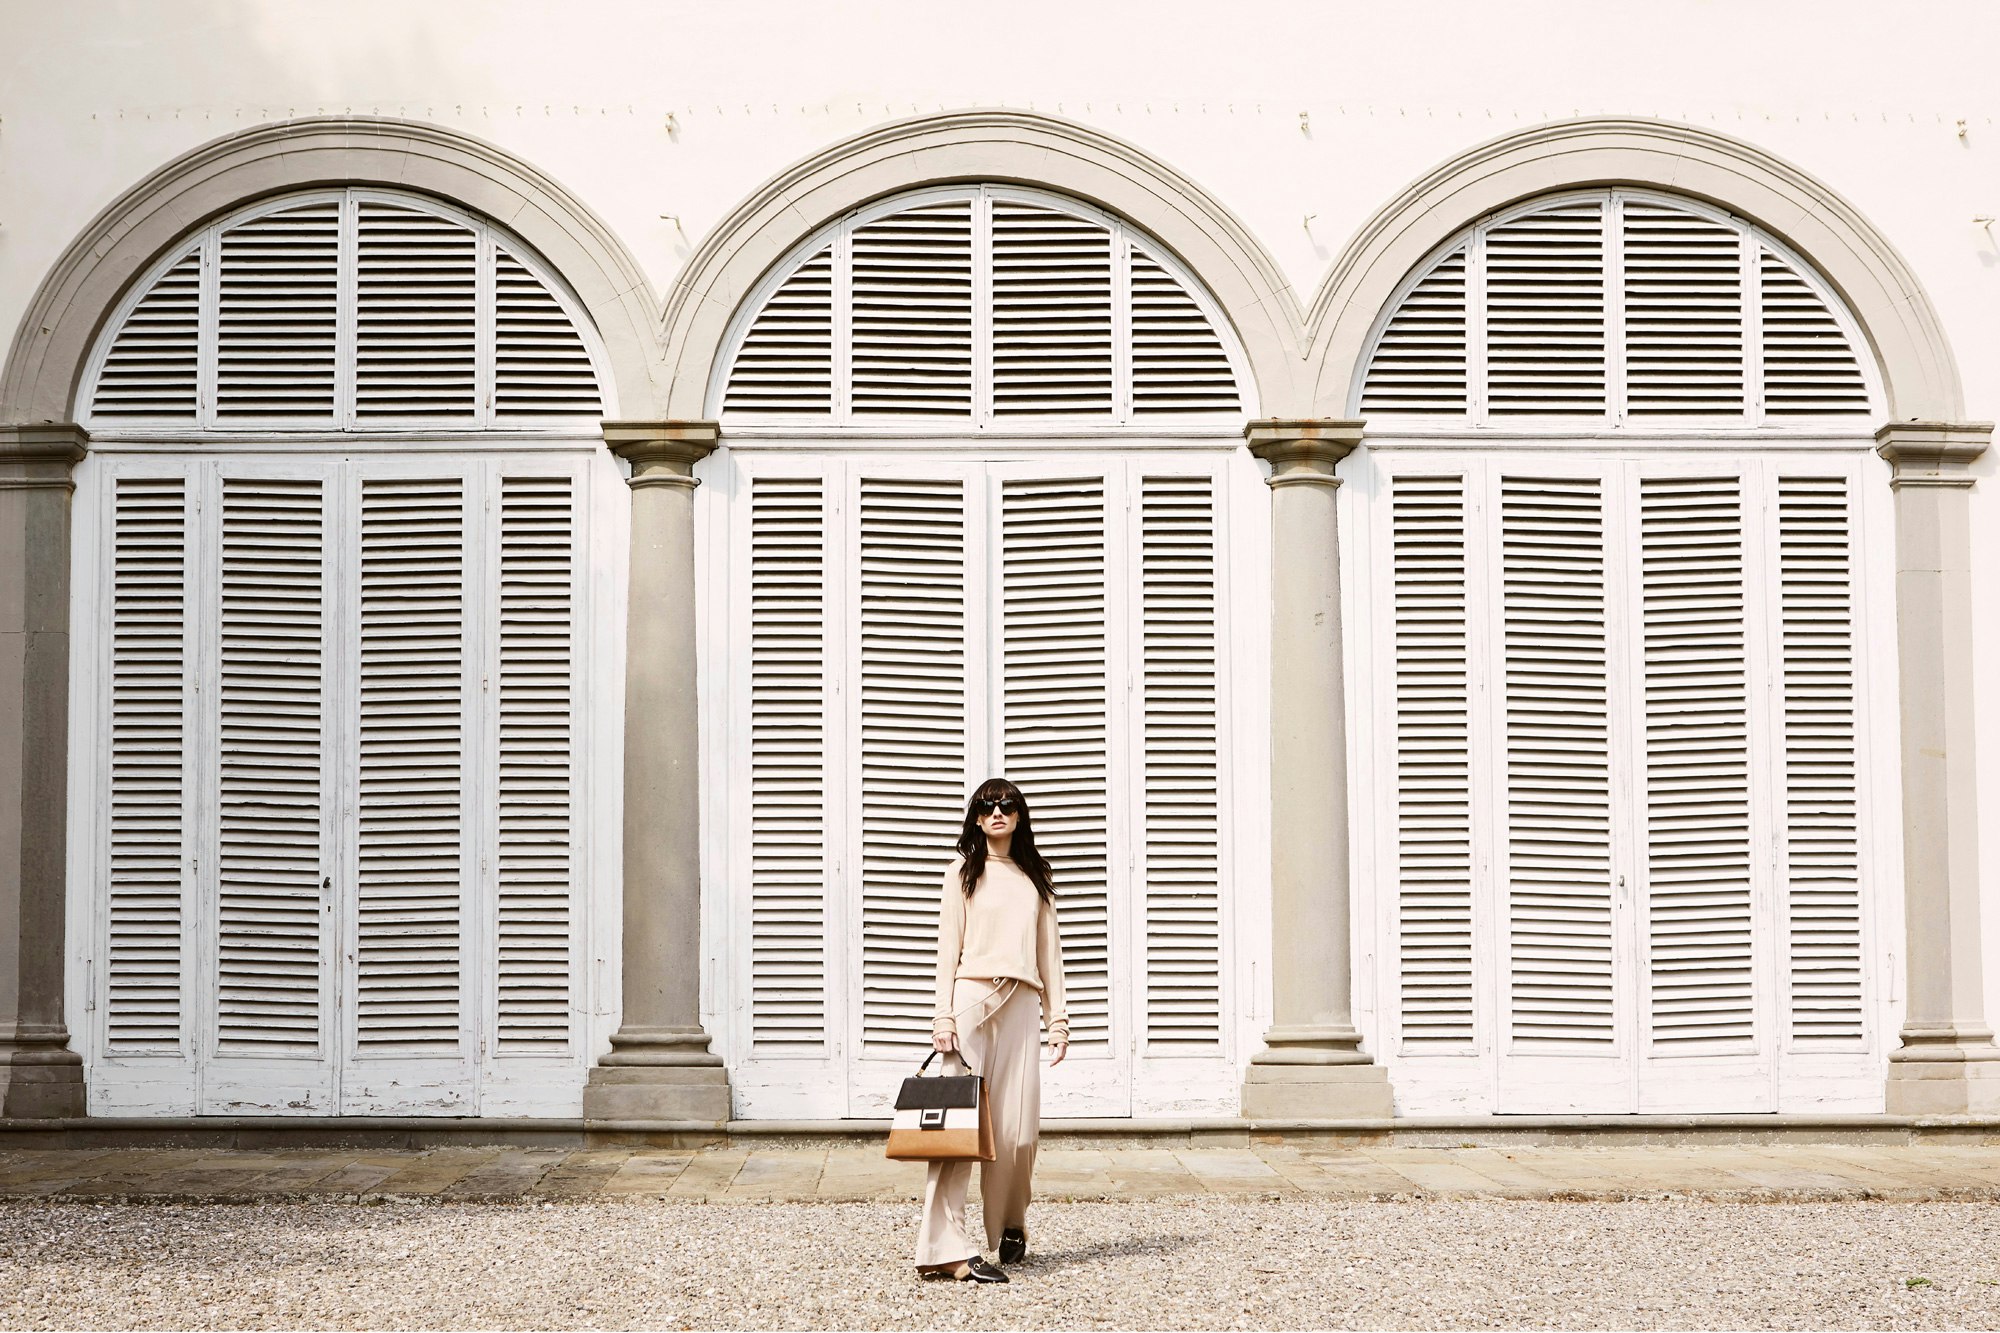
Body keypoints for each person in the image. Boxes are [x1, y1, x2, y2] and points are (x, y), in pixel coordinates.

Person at [914, 777, 1068, 1283]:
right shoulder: (961, 872)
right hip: (971, 1003)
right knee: (957, 1134)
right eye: (987, 806)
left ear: (1019, 816)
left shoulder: (1035, 876)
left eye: (1006, 805)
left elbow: (1051, 955)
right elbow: (944, 950)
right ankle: (946, 1250)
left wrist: (1058, 1019)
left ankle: (1009, 1225)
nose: (997, 813)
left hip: (1022, 1003)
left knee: (1018, 1133)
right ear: (977, 819)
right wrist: (942, 1015)